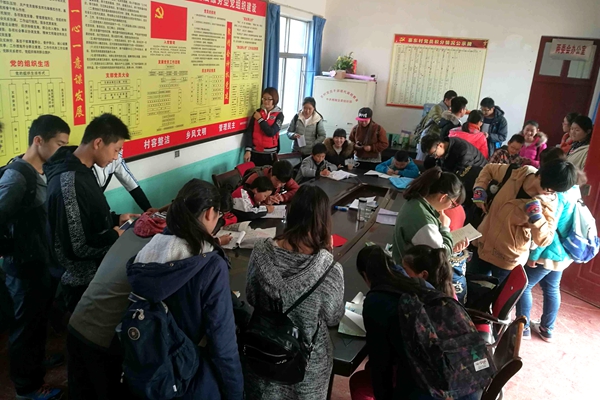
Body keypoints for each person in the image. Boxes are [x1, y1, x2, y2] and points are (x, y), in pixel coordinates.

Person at [127, 179, 243, 399]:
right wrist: (235, 393)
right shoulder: (209, 263)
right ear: (209, 213)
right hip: (191, 374)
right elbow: (223, 344)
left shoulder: (146, 252)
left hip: (152, 369)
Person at [245, 185, 344, 400]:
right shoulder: (330, 269)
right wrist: (327, 254)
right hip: (306, 366)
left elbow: (251, 297)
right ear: (323, 220)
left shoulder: (260, 253)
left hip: (263, 355)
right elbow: (333, 317)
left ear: (290, 212)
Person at [350, 245, 481, 400]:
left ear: (365, 275)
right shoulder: (421, 284)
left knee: (363, 380)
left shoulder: (376, 301)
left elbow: (381, 366)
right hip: (471, 381)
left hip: (437, 392)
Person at [0, 115, 70, 400]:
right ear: (38, 140)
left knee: (38, 320)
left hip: (42, 262)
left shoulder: (44, 170)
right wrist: (15, 248)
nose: (62, 149)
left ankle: (36, 362)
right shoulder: (17, 176)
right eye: (59, 144)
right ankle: (26, 388)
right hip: (23, 267)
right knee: (25, 327)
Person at [45, 113, 139, 313]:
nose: (115, 157)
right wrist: (115, 235)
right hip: (81, 283)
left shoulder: (83, 170)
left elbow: (83, 217)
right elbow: (78, 247)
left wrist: (115, 219)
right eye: (116, 150)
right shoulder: (69, 180)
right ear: (98, 143)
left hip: (95, 274)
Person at [516, 148, 585, 342]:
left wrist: (534, 255)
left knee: (524, 286)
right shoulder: (573, 188)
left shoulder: (557, 195)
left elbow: (548, 229)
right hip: (564, 250)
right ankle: (547, 329)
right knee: (552, 288)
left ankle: (523, 328)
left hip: (549, 251)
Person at [471, 159, 578, 282]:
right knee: (470, 287)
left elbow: (545, 239)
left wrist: (537, 218)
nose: (551, 194)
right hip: (483, 244)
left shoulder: (548, 203)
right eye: (550, 189)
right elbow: (489, 169)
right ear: (541, 175)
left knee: (496, 293)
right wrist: (479, 189)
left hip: (507, 259)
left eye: (555, 191)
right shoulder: (518, 173)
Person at [392, 167, 468, 265]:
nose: (450, 207)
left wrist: (452, 248)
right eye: (452, 203)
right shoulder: (424, 220)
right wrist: (445, 227)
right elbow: (441, 257)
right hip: (409, 271)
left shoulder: (416, 202)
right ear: (443, 197)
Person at [243, 87, 284, 166]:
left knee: (268, 173)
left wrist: (260, 119)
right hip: (255, 152)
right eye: (264, 98)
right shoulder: (257, 112)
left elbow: (271, 132)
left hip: (270, 154)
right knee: (254, 173)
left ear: (274, 100)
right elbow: (249, 131)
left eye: (269, 99)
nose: (266, 101)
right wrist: (248, 150)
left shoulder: (279, 115)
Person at [415, 90, 457, 160]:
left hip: (435, 138)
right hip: (428, 136)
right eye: (453, 101)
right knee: (421, 158)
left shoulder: (447, 110)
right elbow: (439, 121)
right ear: (446, 100)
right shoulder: (437, 107)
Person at [420, 133, 488, 174]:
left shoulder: (462, 151)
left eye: (434, 154)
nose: (434, 157)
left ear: (440, 145)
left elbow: (460, 175)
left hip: (480, 175)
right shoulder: (445, 147)